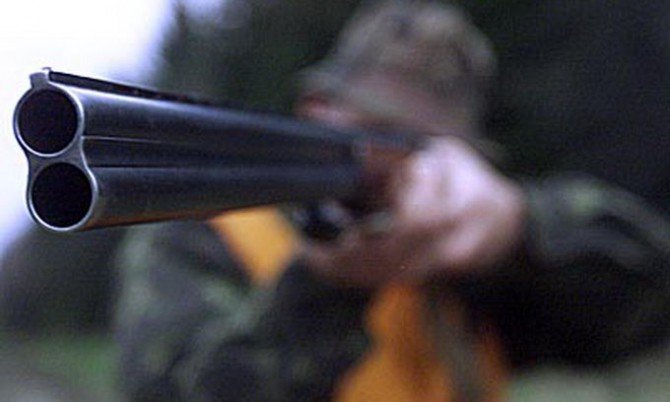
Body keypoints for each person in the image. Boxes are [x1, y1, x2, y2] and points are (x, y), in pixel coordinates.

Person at [113, 1, 670, 401]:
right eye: (376, 129)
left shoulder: (466, 263)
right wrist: (326, 288)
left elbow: (645, 306)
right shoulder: (209, 232)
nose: (402, 172)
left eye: (429, 148)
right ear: (316, 111)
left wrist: (519, 225)